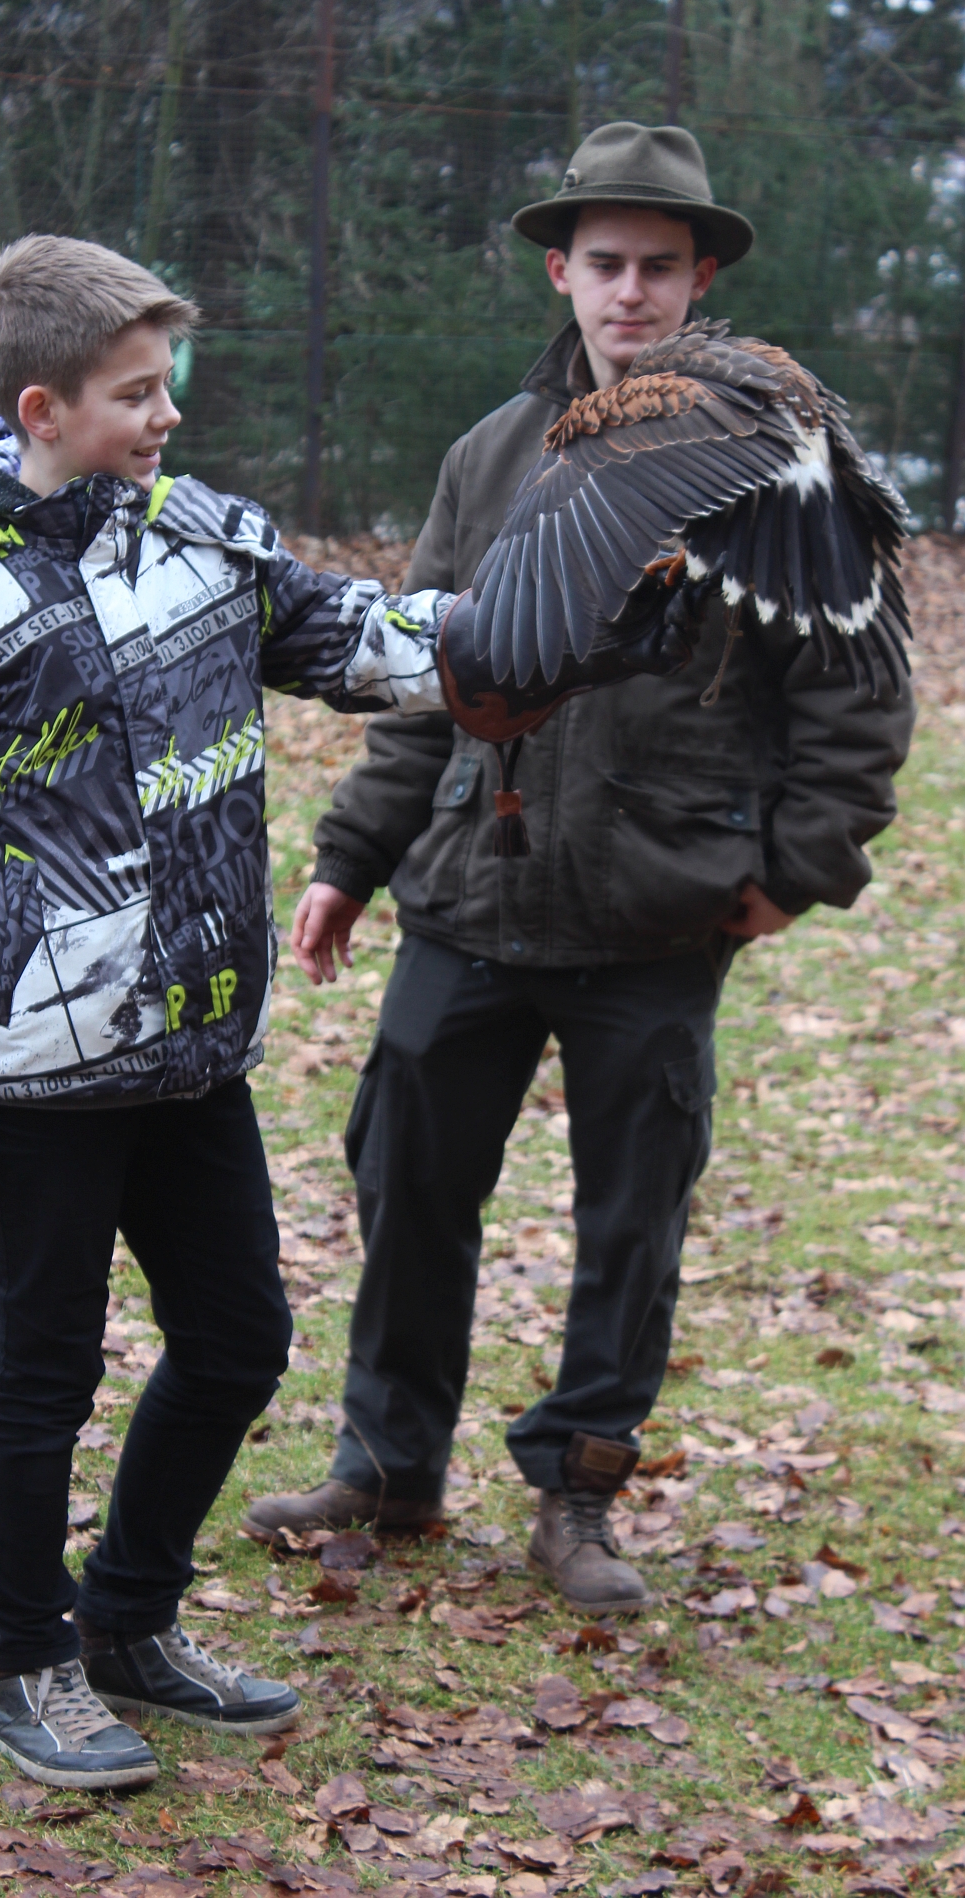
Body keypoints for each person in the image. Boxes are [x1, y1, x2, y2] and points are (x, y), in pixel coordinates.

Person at [0, 235, 456, 1788]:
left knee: (238, 1341)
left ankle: (128, 1622)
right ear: (44, 408)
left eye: (168, 386)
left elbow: (374, 647)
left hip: (192, 1042)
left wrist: (563, 626)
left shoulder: (212, 546)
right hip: (31, 1064)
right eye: (136, 393)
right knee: (49, 1365)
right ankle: (24, 1660)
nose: (168, 415)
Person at [243, 124, 915, 1614]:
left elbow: (860, 698)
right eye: (604, 263)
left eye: (659, 266)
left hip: (658, 909)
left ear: (702, 279)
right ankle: (388, 1467)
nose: (630, 292)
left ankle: (579, 1491)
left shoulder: (767, 454)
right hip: (471, 895)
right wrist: (353, 857)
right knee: (408, 1186)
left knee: (631, 1221)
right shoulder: (493, 454)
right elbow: (428, 671)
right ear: (561, 271)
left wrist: (794, 867)